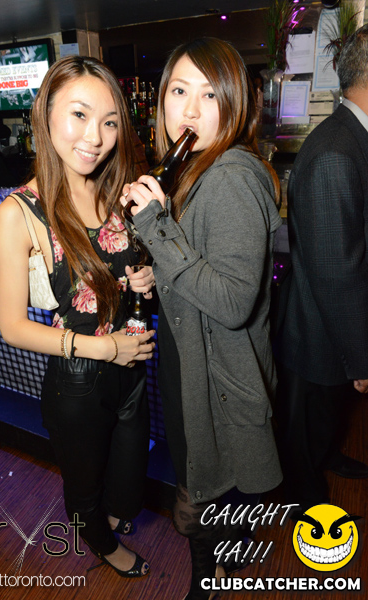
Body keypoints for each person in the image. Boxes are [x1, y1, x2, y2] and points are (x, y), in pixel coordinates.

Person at [121, 38, 283, 599]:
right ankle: (219, 566)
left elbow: (233, 302)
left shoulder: (231, 174)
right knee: (205, 482)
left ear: (234, 101)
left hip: (220, 376)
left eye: (210, 94)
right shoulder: (196, 168)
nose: (189, 110)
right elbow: (199, 271)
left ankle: (206, 584)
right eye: (178, 91)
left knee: (206, 489)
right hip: (195, 363)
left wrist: (155, 226)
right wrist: (156, 274)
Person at [0, 56, 156, 578]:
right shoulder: (20, 212)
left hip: (132, 367)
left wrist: (143, 280)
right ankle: (102, 545)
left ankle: (113, 518)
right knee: (84, 485)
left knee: (128, 472)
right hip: (79, 378)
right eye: (80, 115)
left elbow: (124, 272)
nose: (96, 137)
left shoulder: (113, 189)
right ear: (45, 114)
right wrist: (105, 348)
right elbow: (12, 327)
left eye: (109, 122)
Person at [274, 24, 368, 514]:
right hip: (320, 325)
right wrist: (362, 358)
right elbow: (338, 273)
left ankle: (328, 458)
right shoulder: (337, 151)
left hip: (328, 320)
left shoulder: (348, 136)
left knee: (326, 417)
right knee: (306, 429)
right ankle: (307, 504)